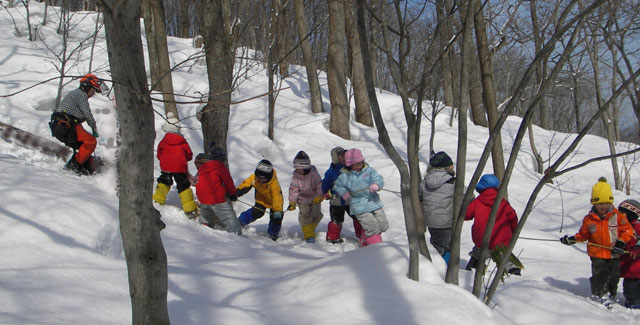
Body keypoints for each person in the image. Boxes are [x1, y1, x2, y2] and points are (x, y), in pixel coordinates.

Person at [560, 177, 634, 304]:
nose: (603, 207)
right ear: (594, 203)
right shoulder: (589, 219)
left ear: (611, 202)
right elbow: (583, 234)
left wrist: (621, 242)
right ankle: (599, 295)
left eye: (606, 203)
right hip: (597, 254)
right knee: (600, 275)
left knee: (614, 276)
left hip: (614, 253)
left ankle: (611, 294)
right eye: (600, 204)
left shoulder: (618, 217)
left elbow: (628, 231)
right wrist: (572, 239)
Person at [464, 174, 520, 275]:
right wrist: (513, 230)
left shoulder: (477, 201)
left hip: (482, 240)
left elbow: (466, 215)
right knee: (505, 256)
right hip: (500, 240)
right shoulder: (502, 202)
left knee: (478, 253)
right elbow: (512, 217)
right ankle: (513, 271)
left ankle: (473, 266)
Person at [50, 73, 104, 175]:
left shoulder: (75, 94)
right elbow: (87, 113)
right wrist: (94, 127)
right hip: (65, 124)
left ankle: (85, 164)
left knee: (83, 144)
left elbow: (80, 115)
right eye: (93, 90)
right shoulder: (81, 95)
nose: (93, 94)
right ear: (86, 86)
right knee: (91, 141)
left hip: (61, 124)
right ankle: (74, 165)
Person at [333, 148, 388, 247]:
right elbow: (338, 186)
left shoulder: (369, 170)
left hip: (373, 201)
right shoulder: (345, 176)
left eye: (361, 161)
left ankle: (365, 238)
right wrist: (345, 193)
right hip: (359, 206)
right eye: (357, 163)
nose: (360, 164)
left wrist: (376, 184)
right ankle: (377, 248)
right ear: (350, 164)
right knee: (371, 227)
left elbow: (378, 178)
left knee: (382, 224)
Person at [152, 113, 198, 218]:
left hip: (166, 166)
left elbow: (159, 154)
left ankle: (157, 201)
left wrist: (164, 161)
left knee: (164, 181)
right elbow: (189, 155)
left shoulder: (163, 141)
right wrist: (183, 159)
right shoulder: (182, 142)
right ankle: (190, 210)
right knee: (183, 186)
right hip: (180, 167)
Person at [193, 145, 242, 235]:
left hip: (202, 196)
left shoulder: (203, 167)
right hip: (215, 197)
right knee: (228, 216)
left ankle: (203, 225)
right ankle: (235, 232)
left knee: (205, 211)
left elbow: (200, 181)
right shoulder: (220, 167)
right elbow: (228, 182)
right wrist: (232, 194)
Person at [419, 151, 455, 264]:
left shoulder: (425, 181)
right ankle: (443, 269)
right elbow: (468, 196)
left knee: (436, 244)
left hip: (430, 221)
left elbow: (420, 195)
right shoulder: (452, 182)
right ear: (446, 167)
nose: (453, 166)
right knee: (445, 247)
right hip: (446, 222)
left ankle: (435, 265)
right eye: (451, 165)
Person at [323, 146, 364, 244]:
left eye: (345, 155)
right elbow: (325, 183)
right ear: (336, 158)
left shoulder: (351, 168)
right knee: (336, 219)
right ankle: (333, 237)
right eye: (341, 156)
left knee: (358, 217)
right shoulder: (331, 172)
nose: (344, 157)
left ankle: (361, 235)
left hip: (351, 200)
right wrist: (324, 192)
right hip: (336, 200)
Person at [236, 159, 285, 241]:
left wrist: (277, 210)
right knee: (257, 212)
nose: (260, 180)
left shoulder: (274, 184)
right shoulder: (255, 178)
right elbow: (246, 184)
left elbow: (277, 197)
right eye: (258, 178)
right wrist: (236, 192)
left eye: (262, 179)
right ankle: (241, 221)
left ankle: (273, 234)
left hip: (274, 203)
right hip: (261, 200)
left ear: (268, 177)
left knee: (276, 218)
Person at [287, 151, 324, 243]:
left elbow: (320, 185)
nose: (298, 171)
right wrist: (292, 202)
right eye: (296, 168)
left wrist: (320, 195)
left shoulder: (314, 175)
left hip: (315, 198)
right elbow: (293, 190)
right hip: (302, 199)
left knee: (316, 215)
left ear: (306, 167)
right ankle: (309, 235)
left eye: (300, 169)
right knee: (305, 216)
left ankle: (309, 228)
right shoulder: (296, 177)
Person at [619, 199, 640, 308]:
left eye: (623, 213)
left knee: (635, 284)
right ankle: (632, 302)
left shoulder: (637, 227)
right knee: (630, 286)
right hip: (628, 265)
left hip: (637, 263)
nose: (620, 215)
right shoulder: (620, 227)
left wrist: (637, 247)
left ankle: (635, 303)